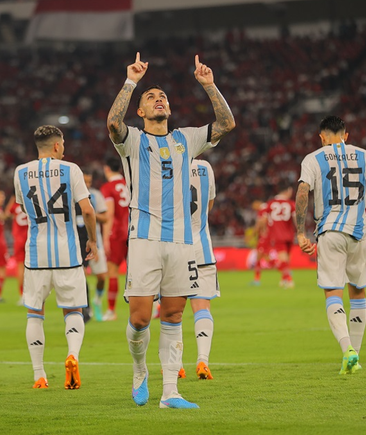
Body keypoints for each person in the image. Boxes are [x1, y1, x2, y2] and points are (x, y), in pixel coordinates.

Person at [106, 52, 235, 408]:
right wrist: (132, 81)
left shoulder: (187, 139)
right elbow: (112, 123)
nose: (159, 99)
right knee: (141, 318)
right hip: (144, 238)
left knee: (175, 314)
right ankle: (139, 371)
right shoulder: (132, 141)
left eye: (163, 96)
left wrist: (209, 86)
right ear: (142, 112)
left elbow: (226, 124)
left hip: (182, 241)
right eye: (151, 98)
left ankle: (170, 393)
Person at [295, 115, 366, 375]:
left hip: (330, 230)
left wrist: (300, 233)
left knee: (333, 291)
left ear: (321, 137)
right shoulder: (365, 155)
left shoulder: (313, 158)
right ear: (346, 136)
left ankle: (346, 349)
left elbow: (303, 192)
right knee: (358, 291)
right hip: (360, 231)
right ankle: (355, 356)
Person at [13, 125, 97, 390]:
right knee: (72, 309)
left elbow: (21, 207)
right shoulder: (71, 169)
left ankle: (39, 374)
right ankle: (72, 355)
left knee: (34, 313)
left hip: (36, 253)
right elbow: (88, 210)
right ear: (58, 146)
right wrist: (92, 240)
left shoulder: (20, 172)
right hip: (68, 253)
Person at [182, 159, 219, 381]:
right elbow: (209, 204)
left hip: (174, 246)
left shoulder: (164, 163)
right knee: (202, 306)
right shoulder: (205, 167)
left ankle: (175, 365)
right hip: (202, 248)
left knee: (172, 310)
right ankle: (202, 360)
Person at [99, 156, 130, 321]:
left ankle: (111, 310)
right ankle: (155, 306)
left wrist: (105, 238)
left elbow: (109, 213)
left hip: (116, 233)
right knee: (141, 273)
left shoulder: (107, 188)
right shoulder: (129, 183)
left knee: (112, 271)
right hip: (133, 231)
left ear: (106, 169)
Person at [83, 172, 109, 320]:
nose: (87, 185)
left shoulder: (96, 195)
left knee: (101, 277)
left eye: (89, 182)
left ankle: (97, 300)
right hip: (77, 243)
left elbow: (105, 218)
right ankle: (86, 308)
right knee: (80, 279)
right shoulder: (71, 195)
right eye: (84, 181)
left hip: (95, 242)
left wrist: (90, 213)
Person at [262, 184, 296, 288]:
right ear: (288, 190)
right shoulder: (291, 203)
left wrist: (264, 231)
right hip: (289, 234)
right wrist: (300, 232)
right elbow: (296, 220)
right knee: (286, 258)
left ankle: (287, 279)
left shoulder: (270, 203)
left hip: (277, 234)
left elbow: (263, 219)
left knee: (283, 259)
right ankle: (286, 279)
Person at [5, 198, 28, 305]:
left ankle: (22, 295)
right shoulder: (30, 203)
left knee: (20, 267)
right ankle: (35, 294)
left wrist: (12, 200)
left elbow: (7, 214)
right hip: (30, 237)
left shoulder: (14, 207)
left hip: (18, 239)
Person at [250, 200, 271, 286]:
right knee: (265, 256)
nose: (254, 209)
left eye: (254, 207)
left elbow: (261, 222)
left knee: (259, 257)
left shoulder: (263, 209)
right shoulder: (267, 208)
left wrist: (254, 232)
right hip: (268, 236)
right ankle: (285, 271)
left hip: (264, 236)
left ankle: (257, 279)